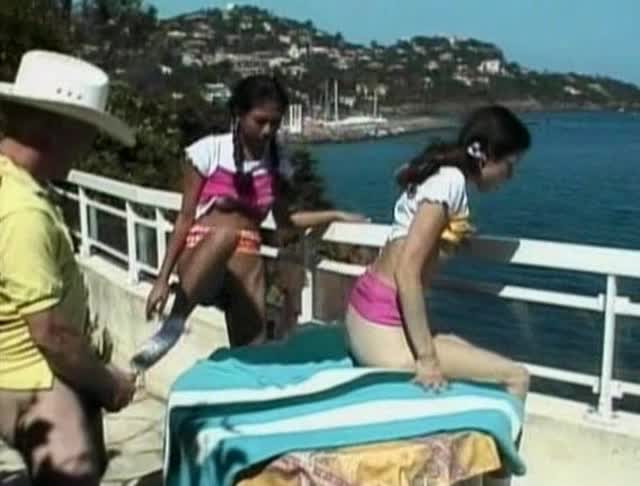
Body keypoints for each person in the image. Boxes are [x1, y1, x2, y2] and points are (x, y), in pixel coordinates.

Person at [344, 105, 531, 484]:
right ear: (486, 156)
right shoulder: (450, 182)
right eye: (509, 165)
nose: (510, 175)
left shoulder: (441, 177)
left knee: (463, 349)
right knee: (515, 377)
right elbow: (407, 271)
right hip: (384, 332)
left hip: (367, 314)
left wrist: (453, 237)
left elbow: (413, 237)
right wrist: (427, 360)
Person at [145, 74, 366, 349]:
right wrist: (162, 279)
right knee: (226, 234)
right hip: (203, 255)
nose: (267, 130)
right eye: (260, 121)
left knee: (252, 349)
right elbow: (185, 218)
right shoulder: (208, 152)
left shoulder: (277, 164)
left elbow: (286, 222)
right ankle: (176, 320)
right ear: (239, 114)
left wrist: (333, 215)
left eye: (275, 122)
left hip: (246, 259)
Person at [0, 50, 137, 486]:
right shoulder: (23, 211)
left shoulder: (14, 184)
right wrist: (109, 384)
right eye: (85, 134)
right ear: (53, 130)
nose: (88, 148)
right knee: (73, 466)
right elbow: (51, 334)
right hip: (30, 373)